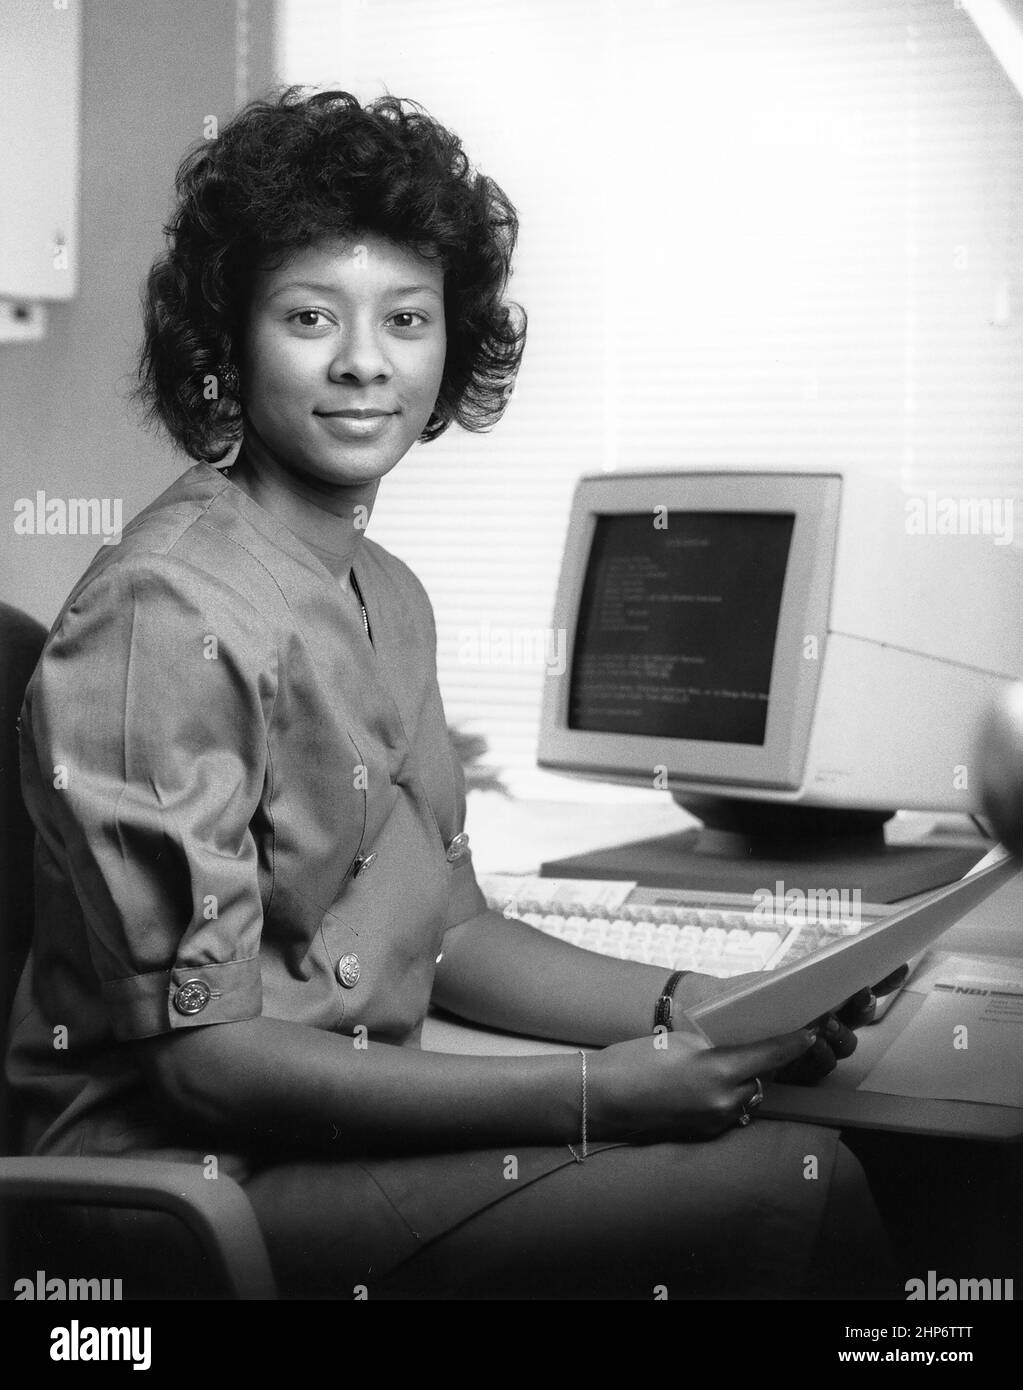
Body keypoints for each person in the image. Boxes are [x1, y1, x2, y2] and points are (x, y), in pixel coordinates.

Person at [6, 88, 897, 1300]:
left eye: (407, 318)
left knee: (784, 1152)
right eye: (310, 316)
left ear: (451, 344)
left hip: (321, 1143)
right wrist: (598, 1094)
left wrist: (702, 1002)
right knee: (796, 1184)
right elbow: (204, 1062)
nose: (365, 360)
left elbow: (455, 931)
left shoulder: (391, 593)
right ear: (228, 344)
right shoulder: (163, 614)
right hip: (184, 1194)